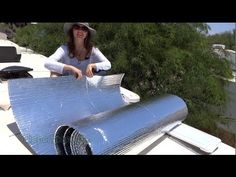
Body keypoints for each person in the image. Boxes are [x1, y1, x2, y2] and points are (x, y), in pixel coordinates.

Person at [44, 22, 111, 79]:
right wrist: (70, 68)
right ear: (72, 31)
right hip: (66, 83)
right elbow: (47, 63)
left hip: (85, 85)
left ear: (87, 33)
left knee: (102, 72)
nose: (80, 31)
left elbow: (108, 64)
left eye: (84, 29)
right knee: (54, 73)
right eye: (76, 27)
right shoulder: (64, 49)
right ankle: (55, 93)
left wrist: (92, 65)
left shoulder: (92, 50)